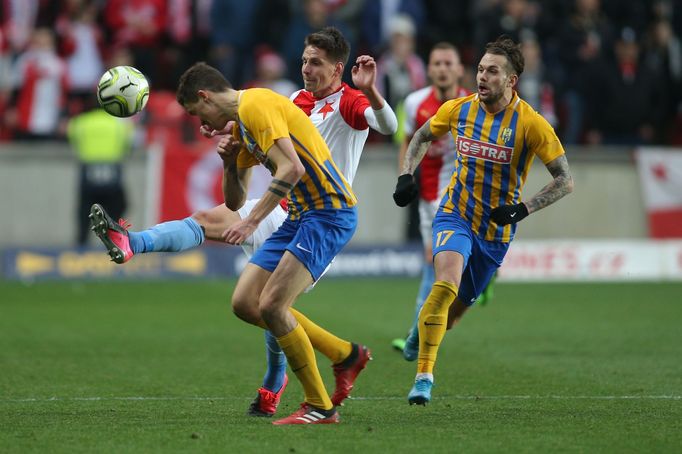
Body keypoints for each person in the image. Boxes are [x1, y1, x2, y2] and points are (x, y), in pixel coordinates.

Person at [90, 27, 397, 421]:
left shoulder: (339, 102)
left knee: (272, 304)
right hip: (292, 207)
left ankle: (311, 398)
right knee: (246, 301)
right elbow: (236, 198)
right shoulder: (285, 103)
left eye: (315, 62)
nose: (305, 68)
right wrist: (230, 156)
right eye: (303, 60)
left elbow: (308, 159)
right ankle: (342, 355)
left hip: (326, 210)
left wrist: (251, 221)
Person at [392, 36, 574, 405]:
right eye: (479, 69)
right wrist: (405, 175)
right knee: (444, 285)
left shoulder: (531, 124)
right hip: (454, 213)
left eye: (492, 71)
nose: (482, 76)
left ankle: (418, 333)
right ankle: (424, 377)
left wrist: (522, 209)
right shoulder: (459, 108)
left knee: (455, 313)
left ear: (511, 80)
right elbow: (421, 136)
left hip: (494, 232)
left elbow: (565, 180)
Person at [390, 42, 470, 360]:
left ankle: (415, 335)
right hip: (428, 195)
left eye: (448, 63)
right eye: (436, 63)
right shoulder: (413, 103)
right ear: (429, 68)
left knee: (432, 260)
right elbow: (408, 142)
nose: (442, 69)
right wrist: (404, 175)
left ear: (459, 70)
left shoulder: (473, 104)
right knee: (436, 263)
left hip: (463, 193)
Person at [70, 97, 134, 246]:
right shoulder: (120, 123)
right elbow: (128, 144)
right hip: (112, 171)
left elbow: (73, 140)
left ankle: (81, 245)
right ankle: (116, 242)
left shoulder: (80, 122)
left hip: (88, 172)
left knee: (85, 211)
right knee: (118, 207)